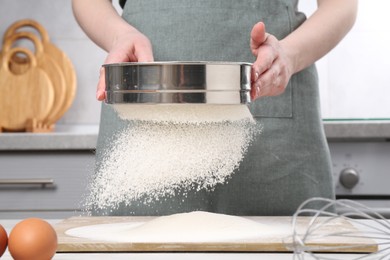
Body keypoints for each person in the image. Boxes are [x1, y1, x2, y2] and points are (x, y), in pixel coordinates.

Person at [72, 0, 358, 216]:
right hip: (143, 104)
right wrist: (119, 36)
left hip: (272, 111)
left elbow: (342, 6)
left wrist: (289, 58)